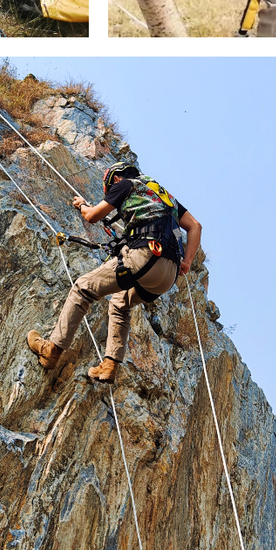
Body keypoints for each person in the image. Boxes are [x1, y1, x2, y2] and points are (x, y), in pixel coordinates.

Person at [27, 163, 202, 385]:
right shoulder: (164, 196)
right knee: (120, 303)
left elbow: (91, 216)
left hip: (144, 256)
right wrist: (187, 261)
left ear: (116, 178)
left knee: (83, 288)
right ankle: (109, 366)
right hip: (167, 275)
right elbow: (195, 226)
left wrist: (82, 205)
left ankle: (51, 351)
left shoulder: (125, 184)